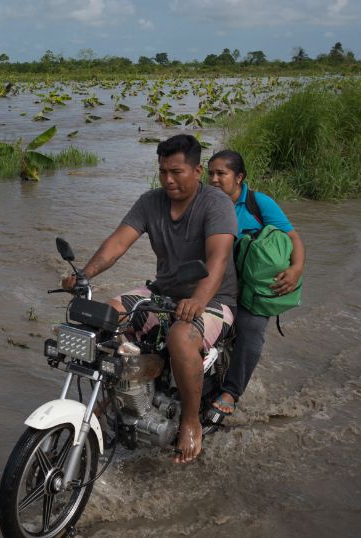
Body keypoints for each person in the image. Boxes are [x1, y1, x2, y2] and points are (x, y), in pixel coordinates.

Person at [62, 134, 238, 464]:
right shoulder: (150, 202)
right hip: (162, 292)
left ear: (197, 171)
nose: (168, 180)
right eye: (162, 172)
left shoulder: (216, 204)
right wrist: (85, 274)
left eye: (176, 172)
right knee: (107, 314)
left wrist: (199, 299)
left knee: (181, 336)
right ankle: (114, 398)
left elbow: (218, 259)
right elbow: (117, 242)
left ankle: (190, 421)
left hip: (214, 298)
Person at [206, 150, 305, 418]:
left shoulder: (258, 204)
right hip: (215, 280)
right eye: (210, 173)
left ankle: (231, 392)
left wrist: (295, 269)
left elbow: (292, 237)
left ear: (239, 178)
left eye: (221, 174)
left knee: (250, 329)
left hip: (251, 286)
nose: (214, 179)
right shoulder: (204, 202)